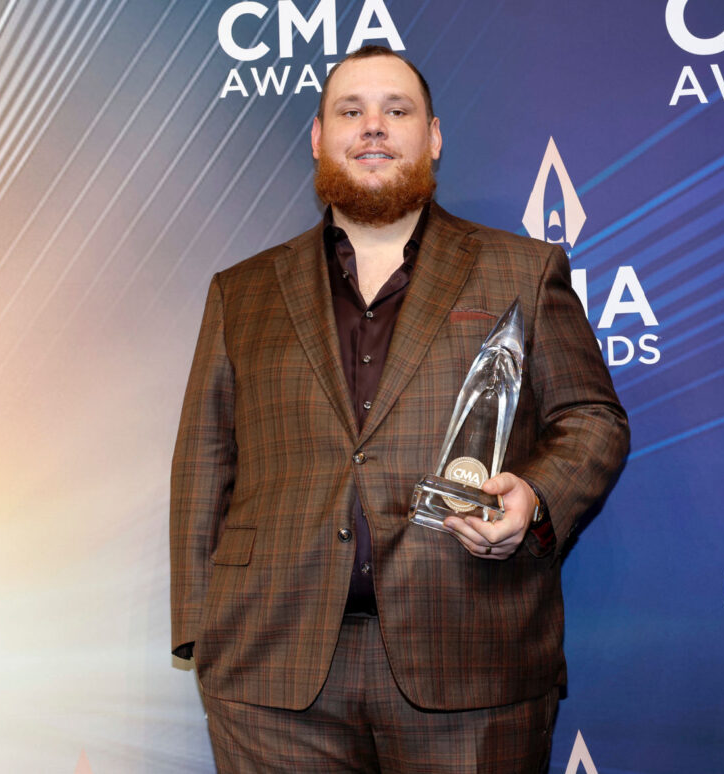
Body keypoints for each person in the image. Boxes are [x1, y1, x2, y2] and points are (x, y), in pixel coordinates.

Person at [170, 45, 629, 774]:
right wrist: (202, 632)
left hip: (472, 655)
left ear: (434, 137)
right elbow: (204, 461)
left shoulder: (523, 269)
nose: (373, 127)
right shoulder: (242, 291)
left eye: (397, 111)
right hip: (269, 671)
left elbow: (593, 420)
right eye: (351, 112)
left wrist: (536, 497)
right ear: (320, 139)